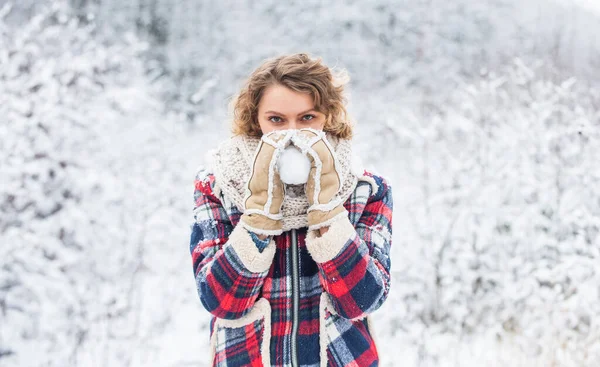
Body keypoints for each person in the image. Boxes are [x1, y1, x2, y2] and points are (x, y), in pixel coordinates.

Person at [189, 52, 393, 367]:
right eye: (276, 120)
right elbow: (221, 302)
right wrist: (257, 218)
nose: (292, 134)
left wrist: (329, 215)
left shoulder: (366, 190)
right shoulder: (218, 187)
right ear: (255, 119)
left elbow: (362, 301)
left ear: (329, 116)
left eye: (307, 118)